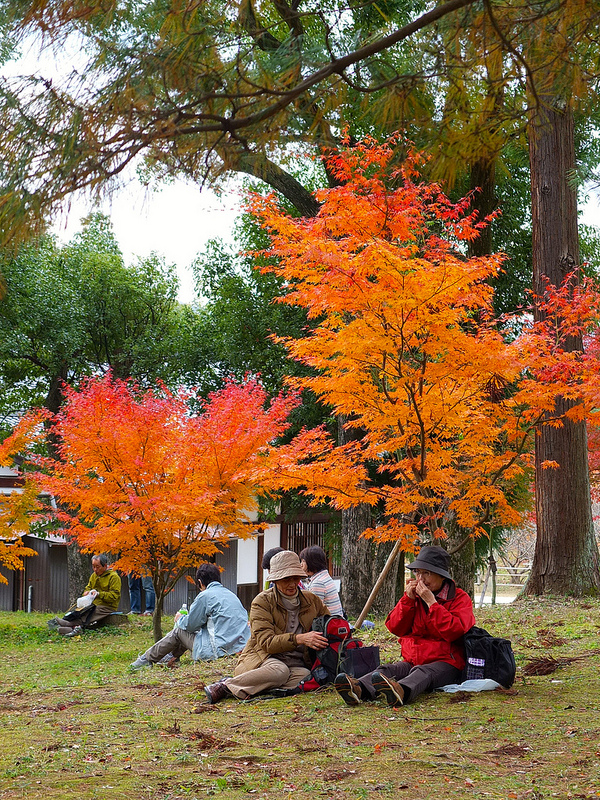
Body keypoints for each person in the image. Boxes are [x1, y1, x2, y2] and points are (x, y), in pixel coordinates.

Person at [334, 546, 476, 707]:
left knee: (422, 673)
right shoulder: (414, 597)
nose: (421, 579)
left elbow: (454, 631)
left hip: (446, 663)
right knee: (389, 669)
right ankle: (358, 688)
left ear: (442, 575)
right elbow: (395, 627)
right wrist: (408, 600)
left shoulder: (460, 598)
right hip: (414, 659)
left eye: (427, 573)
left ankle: (400, 691)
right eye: (417, 572)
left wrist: (432, 603)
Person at [204, 550, 330, 702]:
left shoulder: (311, 600)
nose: (292, 584)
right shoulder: (262, 602)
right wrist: (299, 639)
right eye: (286, 579)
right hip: (263, 658)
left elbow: (329, 623)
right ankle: (226, 685)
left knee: (306, 677)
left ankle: (252, 684)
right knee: (279, 672)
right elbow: (267, 643)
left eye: (295, 578)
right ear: (276, 580)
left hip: (295, 664)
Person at [130, 563, 250, 669]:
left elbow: (190, 626)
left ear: (200, 582)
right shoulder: (232, 595)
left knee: (178, 631)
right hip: (238, 649)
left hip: (218, 651)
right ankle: (171, 657)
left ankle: (146, 660)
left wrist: (179, 618)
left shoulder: (205, 596)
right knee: (191, 634)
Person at [47, 554, 122, 637]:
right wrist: (86, 592)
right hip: (93, 603)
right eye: (93, 567)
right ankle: (70, 627)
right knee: (80, 610)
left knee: (90, 612)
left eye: (98, 567)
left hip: (107, 606)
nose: (95, 569)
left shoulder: (114, 577)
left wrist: (99, 594)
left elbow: (114, 596)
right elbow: (88, 587)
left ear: (105, 566)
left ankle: (68, 624)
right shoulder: (94, 576)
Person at [299, 545, 343, 616]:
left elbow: (313, 611)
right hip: (335, 621)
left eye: (303, 561)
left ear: (312, 562)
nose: (301, 565)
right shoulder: (324, 577)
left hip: (327, 624)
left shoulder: (318, 583)